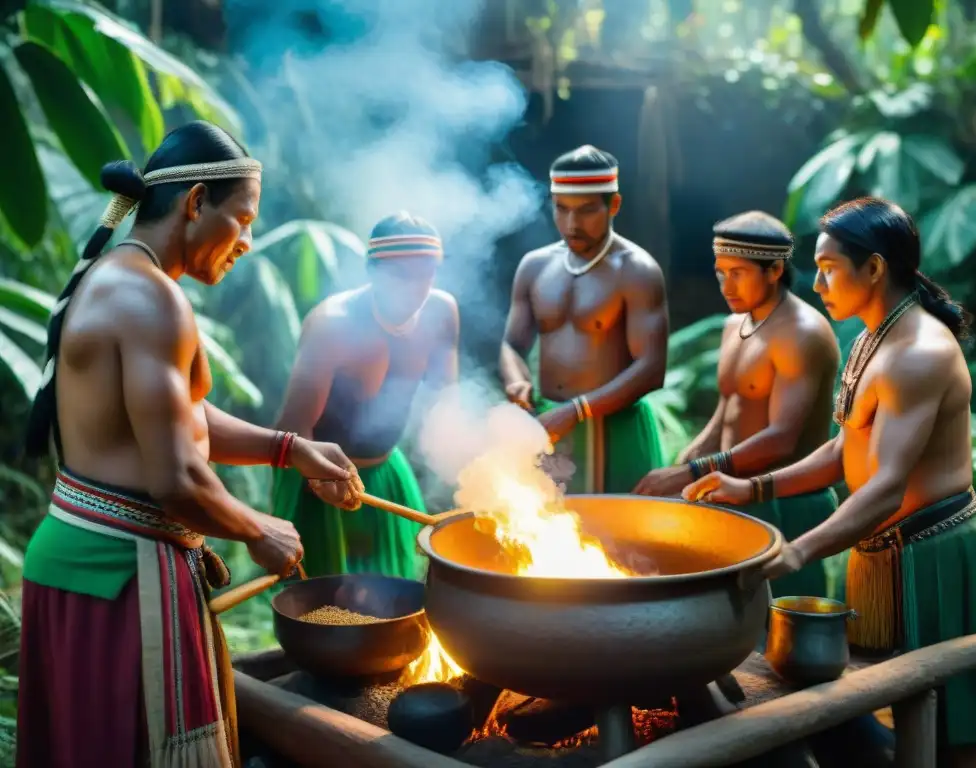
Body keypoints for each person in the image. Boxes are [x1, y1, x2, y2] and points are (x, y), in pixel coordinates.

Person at [17, 121, 363, 768]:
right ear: (196, 202)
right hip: (117, 581)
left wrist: (289, 448)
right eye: (243, 220)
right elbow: (177, 475)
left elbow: (185, 418)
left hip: (88, 566)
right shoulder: (150, 299)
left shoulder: (133, 280)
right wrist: (260, 528)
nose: (249, 242)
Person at [684, 197, 976, 765]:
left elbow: (887, 485)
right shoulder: (869, 338)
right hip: (881, 555)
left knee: (951, 734)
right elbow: (845, 448)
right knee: (888, 708)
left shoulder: (919, 352)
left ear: (875, 268)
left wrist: (798, 551)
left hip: (937, 555)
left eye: (829, 267)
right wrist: (752, 488)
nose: (816, 283)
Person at [634, 211, 841, 599]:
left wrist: (695, 470)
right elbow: (729, 407)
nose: (726, 286)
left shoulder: (803, 334)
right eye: (720, 273)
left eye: (738, 273)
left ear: (775, 270)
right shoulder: (736, 324)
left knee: (782, 634)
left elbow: (781, 439)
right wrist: (689, 458)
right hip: (731, 491)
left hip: (785, 503)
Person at [273, 212, 458, 580]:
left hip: (386, 469)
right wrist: (323, 483)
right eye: (401, 276)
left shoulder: (441, 312)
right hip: (318, 474)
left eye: (426, 274)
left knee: (397, 591)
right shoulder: (333, 325)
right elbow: (292, 426)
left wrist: (472, 468)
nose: (416, 288)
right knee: (328, 604)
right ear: (372, 271)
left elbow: (446, 402)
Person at [500, 145, 668, 493]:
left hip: (617, 431)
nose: (572, 224)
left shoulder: (637, 270)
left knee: (622, 540)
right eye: (561, 209)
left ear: (614, 206)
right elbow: (511, 345)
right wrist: (516, 380)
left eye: (587, 211)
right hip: (550, 425)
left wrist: (576, 411)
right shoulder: (535, 266)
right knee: (546, 535)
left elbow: (651, 368)